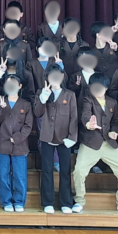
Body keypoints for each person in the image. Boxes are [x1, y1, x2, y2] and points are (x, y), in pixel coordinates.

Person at [71, 74, 118, 214]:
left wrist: (114, 132)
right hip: (90, 143)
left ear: (106, 88)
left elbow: (115, 122)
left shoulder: (112, 102)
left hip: (108, 143)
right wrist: (89, 124)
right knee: (79, 171)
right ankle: (79, 201)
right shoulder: (88, 100)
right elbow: (85, 115)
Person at [34, 67, 78, 214]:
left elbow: (74, 117)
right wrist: (44, 97)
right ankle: (48, 202)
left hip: (64, 138)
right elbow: (37, 112)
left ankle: (66, 202)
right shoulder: (41, 92)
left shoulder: (69, 94)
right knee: (47, 170)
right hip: (47, 136)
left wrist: (72, 137)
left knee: (65, 171)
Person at [0, 73, 33, 212]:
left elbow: (28, 126)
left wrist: (17, 137)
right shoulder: (0, 102)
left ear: (20, 86)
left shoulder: (26, 104)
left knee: (19, 175)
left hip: (20, 145)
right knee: (3, 175)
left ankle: (19, 202)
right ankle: (6, 201)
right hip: (3, 144)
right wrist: (1, 109)